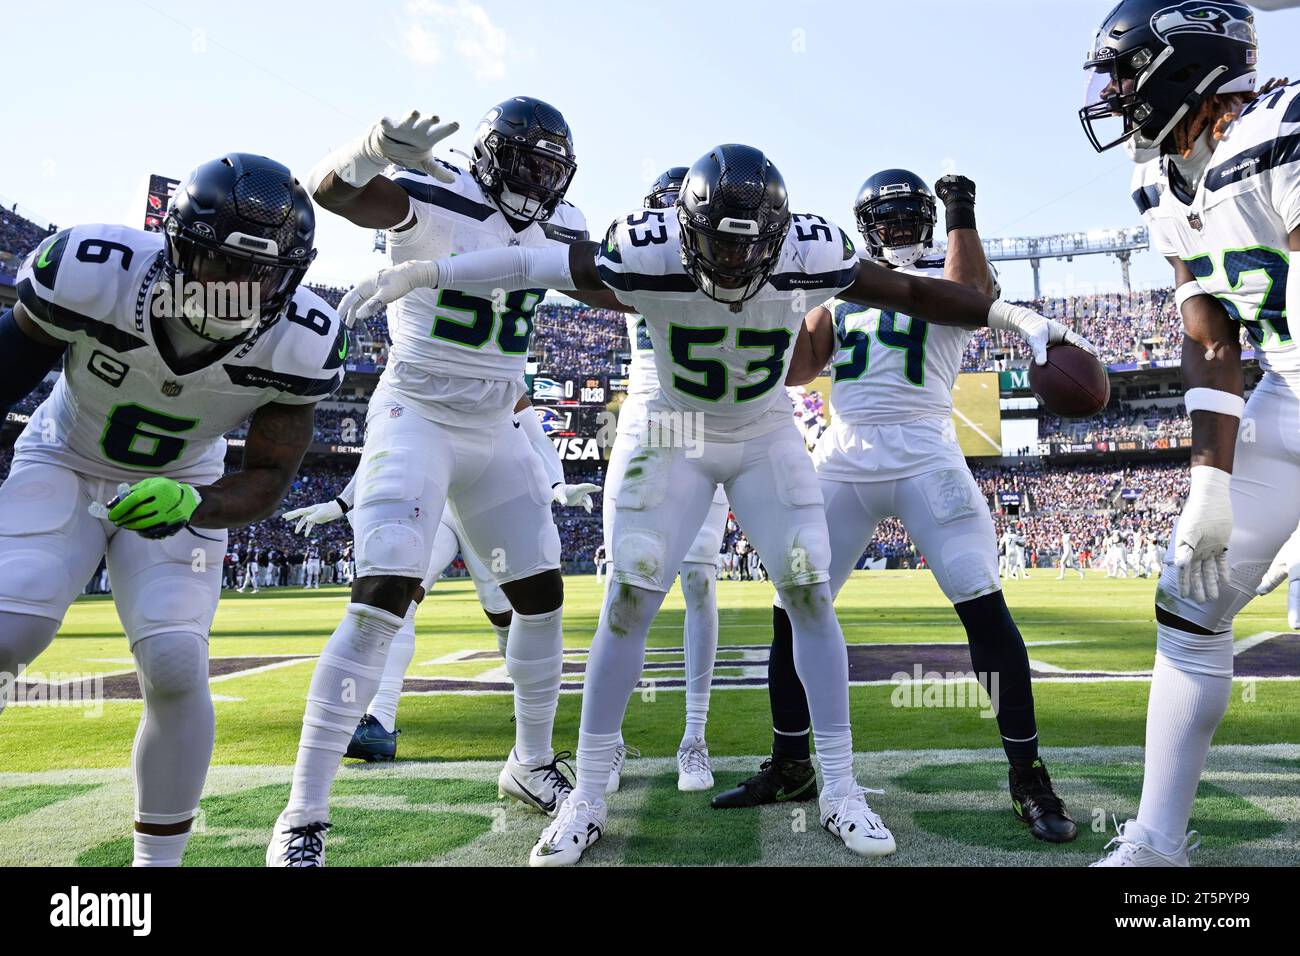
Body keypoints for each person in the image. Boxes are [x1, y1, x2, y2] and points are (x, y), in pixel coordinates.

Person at [341, 142, 1089, 866]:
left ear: (779, 237)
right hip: (672, 428)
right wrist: (429, 270)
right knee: (629, 597)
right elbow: (535, 261)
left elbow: (922, 292)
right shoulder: (649, 245)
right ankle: (590, 796)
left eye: (748, 250)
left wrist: (1019, 321)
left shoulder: (813, 250)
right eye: (716, 246)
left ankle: (840, 786)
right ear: (681, 228)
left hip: (766, 433)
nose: (731, 264)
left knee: (806, 598)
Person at [269, 99, 596, 866]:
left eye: (556, 169)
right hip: (416, 413)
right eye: (531, 164)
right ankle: (302, 815)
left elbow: (597, 279)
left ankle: (530, 762)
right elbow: (333, 192)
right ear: (493, 158)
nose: (543, 182)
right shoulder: (438, 188)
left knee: (541, 595)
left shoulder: (566, 220)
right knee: (383, 593)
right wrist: (366, 148)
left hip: (498, 426)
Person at [712, 170, 1076, 843]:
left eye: (915, 217)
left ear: (934, 223)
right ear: (867, 226)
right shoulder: (846, 280)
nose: (903, 230)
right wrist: (782, 295)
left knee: (982, 604)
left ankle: (1027, 773)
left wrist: (965, 207)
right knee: (793, 605)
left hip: (926, 453)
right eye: (891, 219)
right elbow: (799, 368)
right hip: (843, 457)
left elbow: (971, 298)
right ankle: (792, 763)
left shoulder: (950, 268)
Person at [0, 153, 340, 866]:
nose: (240, 291)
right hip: (64, 456)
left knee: (177, 659)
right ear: (179, 247)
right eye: (223, 266)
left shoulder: (303, 340)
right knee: (9, 623)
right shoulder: (98, 271)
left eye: (264, 274)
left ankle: (156, 874)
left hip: (184, 477)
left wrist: (196, 500)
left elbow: (271, 476)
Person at [1081, 0, 1299, 865]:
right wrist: (1209, 484)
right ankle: (1156, 844)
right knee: (1191, 599)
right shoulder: (1158, 179)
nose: (1111, 91)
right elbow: (1211, 334)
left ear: (1187, 63)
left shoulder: (1283, 130)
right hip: (1286, 391)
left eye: (1123, 70)